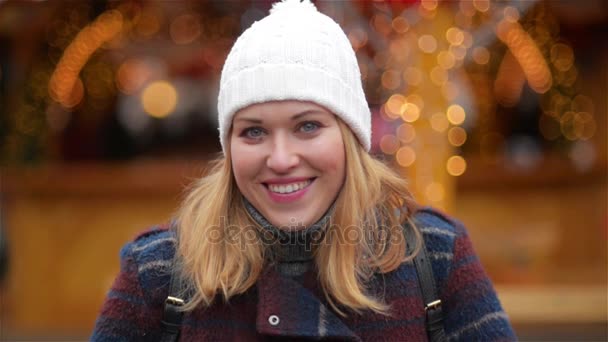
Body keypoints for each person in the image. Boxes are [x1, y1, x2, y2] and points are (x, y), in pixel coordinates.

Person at [91, 1, 516, 341]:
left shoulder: (436, 257)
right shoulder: (159, 272)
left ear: (350, 136)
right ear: (228, 145)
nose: (280, 159)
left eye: (307, 126)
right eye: (253, 131)